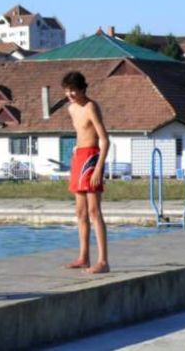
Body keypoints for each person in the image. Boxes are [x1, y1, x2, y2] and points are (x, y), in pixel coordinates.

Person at [62, 71, 110, 274]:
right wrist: (76, 150)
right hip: (79, 156)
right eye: (67, 90)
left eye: (74, 90)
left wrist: (99, 167)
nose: (70, 94)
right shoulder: (71, 108)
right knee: (80, 212)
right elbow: (81, 133)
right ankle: (84, 256)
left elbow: (104, 139)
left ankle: (103, 261)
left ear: (82, 89)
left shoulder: (91, 107)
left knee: (93, 211)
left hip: (91, 158)